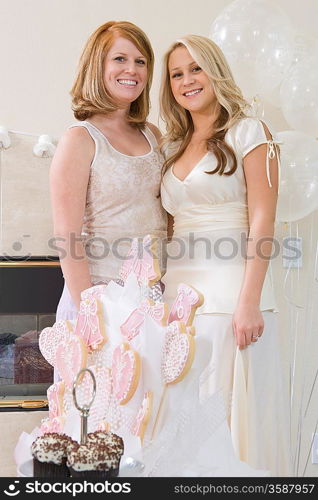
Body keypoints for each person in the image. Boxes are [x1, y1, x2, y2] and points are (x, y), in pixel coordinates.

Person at [159, 35, 290, 476]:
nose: (187, 80)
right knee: (184, 412)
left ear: (215, 70)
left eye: (195, 68)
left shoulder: (250, 131)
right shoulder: (173, 145)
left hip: (232, 294)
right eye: (177, 74)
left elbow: (263, 222)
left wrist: (249, 301)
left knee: (227, 413)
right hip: (178, 299)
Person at [50, 21, 167, 321]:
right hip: (100, 297)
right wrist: (91, 311)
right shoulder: (80, 139)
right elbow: (68, 236)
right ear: (96, 66)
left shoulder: (154, 135)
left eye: (140, 62)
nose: (132, 70)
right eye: (120, 59)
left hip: (153, 296)